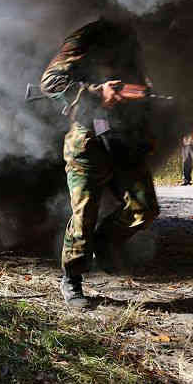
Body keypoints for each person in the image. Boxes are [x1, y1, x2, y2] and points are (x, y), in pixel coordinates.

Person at [40, 18, 160, 307]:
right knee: (85, 214)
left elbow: (139, 90)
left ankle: (105, 242)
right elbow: (51, 82)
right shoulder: (89, 36)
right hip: (89, 137)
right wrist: (98, 93)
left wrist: (143, 104)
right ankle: (72, 278)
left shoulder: (132, 39)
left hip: (124, 139)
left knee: (144, 208)